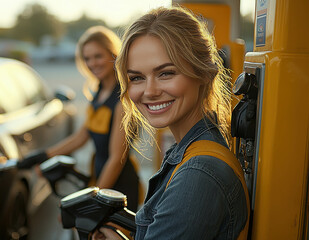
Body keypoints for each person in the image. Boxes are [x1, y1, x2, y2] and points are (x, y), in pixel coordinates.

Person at [92, 6, 249, 240]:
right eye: (136, 78)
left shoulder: (197, 176)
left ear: (204, 72)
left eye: (166, 73)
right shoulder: (189, 150)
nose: (150, 91)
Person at [21, 25, 140, 212]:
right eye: (87, 58)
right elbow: (83, 135)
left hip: (117, 188)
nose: (92, 64)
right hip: (100, 178)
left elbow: (117, 158)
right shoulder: (100, 91)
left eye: (98, 56)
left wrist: (96, 200)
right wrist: (44, 155)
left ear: (113, 54)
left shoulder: (121, 99)